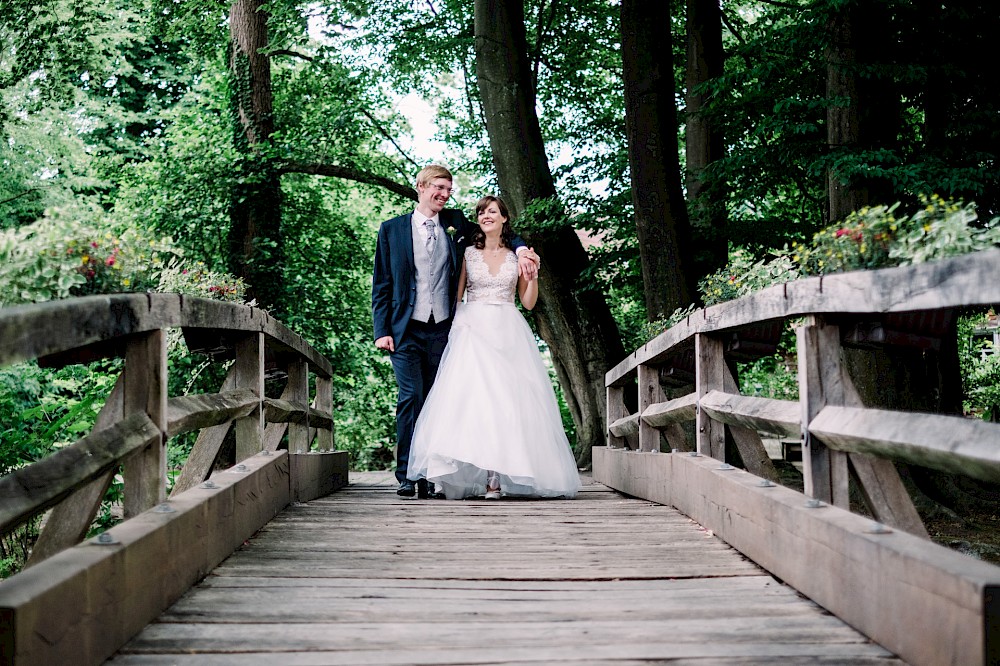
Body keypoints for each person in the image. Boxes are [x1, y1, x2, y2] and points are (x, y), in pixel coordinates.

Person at [371, 166, 538, 498]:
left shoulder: (456, 223)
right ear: (421, 187)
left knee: (438, 402)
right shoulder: (391, 230)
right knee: (410, 397)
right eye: (438, 187)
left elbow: (500, 232)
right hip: (404, 328)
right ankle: (407, 473)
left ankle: (432, 476)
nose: (444, 194)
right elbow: (382, 283)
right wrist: (381, 330)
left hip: (443, 328)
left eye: (448, 189)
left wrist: (521, 251)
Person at [406, 195, 581, 500]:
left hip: (506, 329)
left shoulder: (519, 256)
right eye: (482, 212)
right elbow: (457, 295)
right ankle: (449, 474)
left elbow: (528, 303)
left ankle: (495, 478)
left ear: (503, 218)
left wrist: (532, 276)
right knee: (469, 403)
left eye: (492, 211)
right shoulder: (468, 253)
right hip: (472, 330)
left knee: (505, 403)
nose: (485, 215)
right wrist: (458, 330)